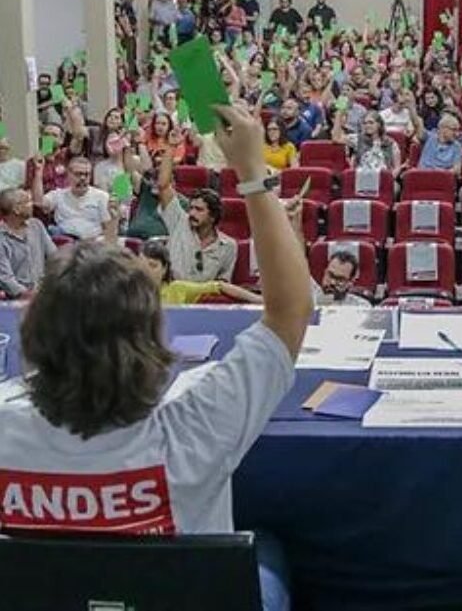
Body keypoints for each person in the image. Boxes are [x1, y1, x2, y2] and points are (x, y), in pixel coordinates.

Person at [0, 104, 312, 611]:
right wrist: (253, 172)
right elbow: (290, 311)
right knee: (269, 554)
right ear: (150, 337)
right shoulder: (196, 427)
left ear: (33, 334)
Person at [157, 154, 237, 282]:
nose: (192, 213)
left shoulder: (228, 246)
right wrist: (170, 148)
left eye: (199, 210)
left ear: (213, 216)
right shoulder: (179, 221)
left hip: (203, 298)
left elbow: (222, 283)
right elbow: (163, 186)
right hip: (172, 294)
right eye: (191, 208)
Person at [140, 240, 261, 305]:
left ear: (164, 268)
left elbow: (220, 286)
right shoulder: (129, 291)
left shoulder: (177, 289)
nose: (146, 271)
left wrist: (257, 299)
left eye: (153, 266)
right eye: (142, 266)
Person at [31, 155, 115, 240]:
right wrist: (38, 172)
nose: (83, 178)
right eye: (78, 174)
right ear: (68, 175)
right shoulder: (59, 195)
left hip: (92, 244)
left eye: (86, 174)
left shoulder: (102, 197)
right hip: (65, 244)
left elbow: (108, 228)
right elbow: (39, 202)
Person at [0, 188, 56, 298]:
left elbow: (54, 256)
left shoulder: (36, 225)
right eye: (28, 202)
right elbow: (5, 278)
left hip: (44, 291)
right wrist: (28, 295)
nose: (32, 205)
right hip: (16, 299)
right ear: (16, 209)